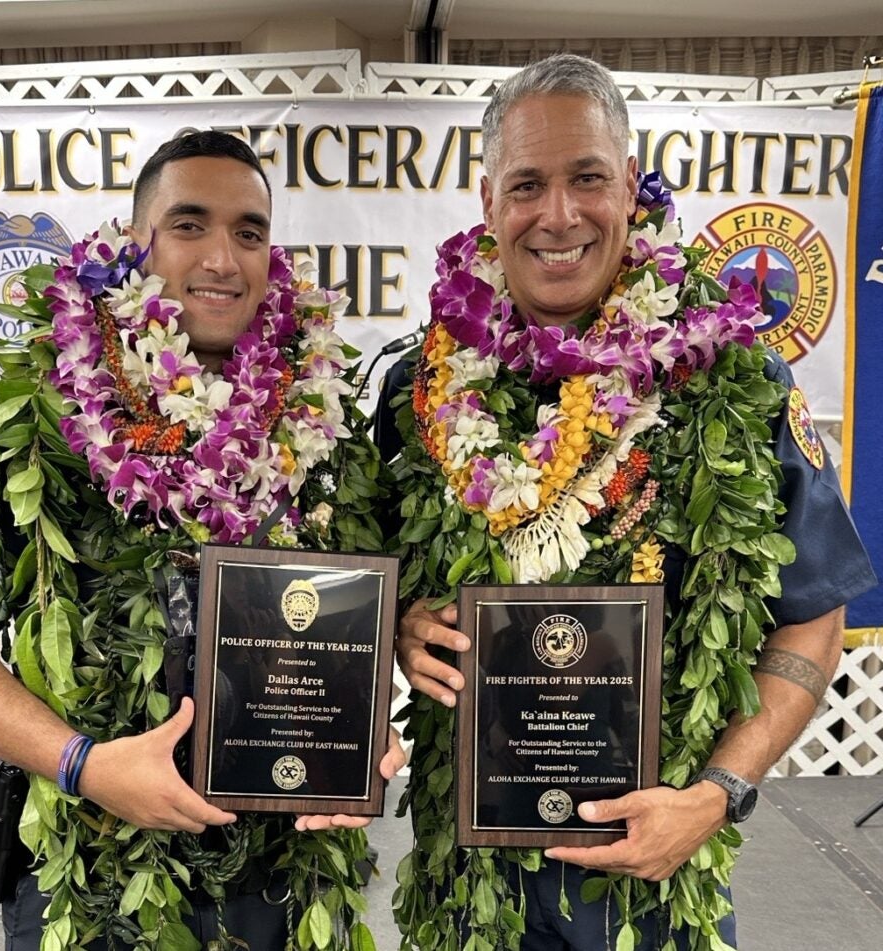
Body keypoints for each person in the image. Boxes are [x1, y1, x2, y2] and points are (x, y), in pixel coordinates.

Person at [376, 54, 877, 950]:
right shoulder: (417, 391)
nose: (559, 214)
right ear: (490, 200)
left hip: (654, 890)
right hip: (469, 893)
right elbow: (368, 596)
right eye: (528, 183)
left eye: (588, 178)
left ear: (632, 184)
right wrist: (402, 627)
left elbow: (811, 620)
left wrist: (716, 795)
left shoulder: (733, 377)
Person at [0, 131, 403, 950]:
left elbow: (354, 618)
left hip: (283, 872)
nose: (223, 259)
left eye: (249, 231)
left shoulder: (323, 427)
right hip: (99, 878)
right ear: (136, 244)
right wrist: (83, 762)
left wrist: (360, 731)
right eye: (189, 225)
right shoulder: (41, 416)